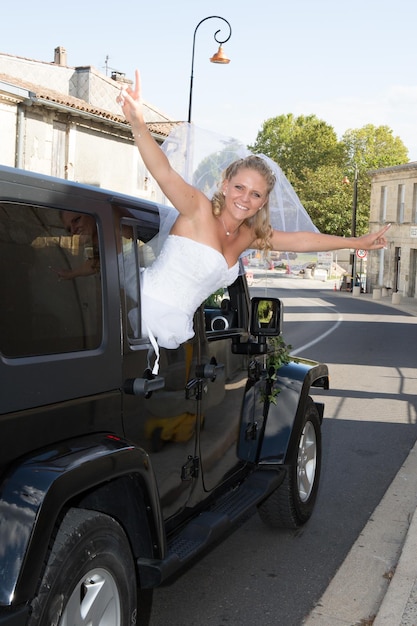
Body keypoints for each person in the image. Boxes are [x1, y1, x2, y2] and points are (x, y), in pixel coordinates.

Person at [117, 70, 390, 351]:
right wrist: (137, 122)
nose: (244, 198)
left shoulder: (248, 235)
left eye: (255, 194)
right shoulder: (197, 209)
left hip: (172, 337)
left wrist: (357, 243)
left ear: (262, 202)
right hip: (130, 322)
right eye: (239, 188)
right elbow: (163, 172)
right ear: (225, 185)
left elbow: (301, 240)